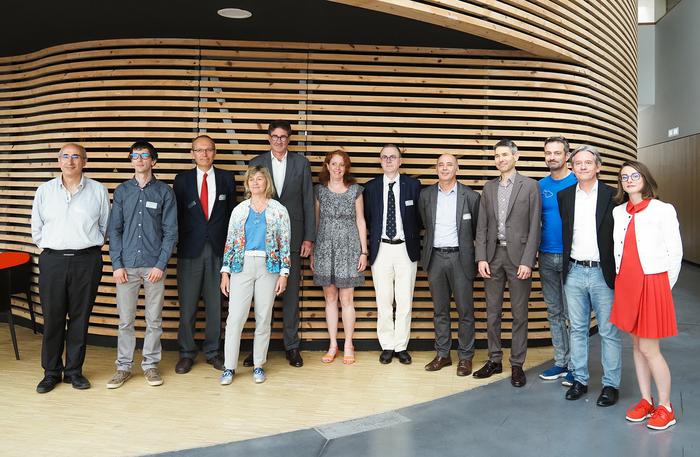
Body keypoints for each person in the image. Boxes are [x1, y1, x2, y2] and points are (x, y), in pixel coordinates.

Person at [31, 143, 110, 393]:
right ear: (59, 161)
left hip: (86, 261)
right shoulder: (44, 191)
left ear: (84, 161)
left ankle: (74, 372)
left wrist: (85, 246)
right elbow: (37, 228)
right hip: (52, 261)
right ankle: (51, 372)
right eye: (65, 156)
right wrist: (53, 248)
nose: (70, 161)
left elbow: (104, 227)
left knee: (80, 318)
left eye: (76, 156)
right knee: (53, 318)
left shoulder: (98, 190)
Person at [611, 161, 682, 430]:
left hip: (653, 283)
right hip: (626, 284)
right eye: (624, 177)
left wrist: (663, 287)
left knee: (650, 349)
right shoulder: (619, 212)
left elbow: (675, 252)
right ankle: (646, 400)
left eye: (634, 175)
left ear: (645, 178)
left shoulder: (663, 209)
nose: (629, 180)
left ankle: (666, 406)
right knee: (637, 347)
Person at [107, 141, 178, 388]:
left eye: (144, 155)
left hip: (154, 267)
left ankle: (150, 366)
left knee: (154, 320)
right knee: (125, 321)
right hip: (126, 267)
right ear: (131, 160)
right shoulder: (122, 191)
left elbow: (171, 232)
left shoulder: (164, 192)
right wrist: (117, 264)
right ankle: (123, 367)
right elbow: (114, 230)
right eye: (134, 155)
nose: (138, 159)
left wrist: (160, 265)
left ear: (153, 161)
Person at [247, 120, 315, 368]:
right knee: (261, 297)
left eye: (283, 137)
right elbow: (250, 198)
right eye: (275, 136)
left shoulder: (301, 163)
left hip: (293, 238)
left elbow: (308, 200)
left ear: (289, 139)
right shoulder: (257, 162)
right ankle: (258, 349)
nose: (279, 140)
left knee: (291, 296)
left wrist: (309, 237)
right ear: (269, 138)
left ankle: (292, 346)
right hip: (261, 240)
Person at [558, 145, 621, 406]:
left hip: (602, 273)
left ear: (598, 166)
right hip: (574, 271)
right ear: (572, 167)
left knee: (608, 331)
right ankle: (580, 380)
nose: (583, 166)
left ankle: (611, 385)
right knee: (578, 329)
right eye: (578, 163)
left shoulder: (613, 195)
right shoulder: (564, 196)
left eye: (588, 162)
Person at [475, 139, 541, 388]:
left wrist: (528, 261)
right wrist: (481, 257)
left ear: (516, 157)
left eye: (504, 154)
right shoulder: (489, 187)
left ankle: (516, 364)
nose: (500, 159)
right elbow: (481, 226)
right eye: (497, 155)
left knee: (519, 314)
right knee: (492, 312)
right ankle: (494, 359)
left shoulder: (530, 186)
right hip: (493, 257)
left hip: (519, 259)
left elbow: (535, 226)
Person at [219, 166, 291, 385]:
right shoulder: (239, 210)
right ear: (247, 183)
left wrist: (284, 273)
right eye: (252, 179)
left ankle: (258, 365)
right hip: (241, 267)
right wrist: (225, 272)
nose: (256, 182)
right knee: (235, 318)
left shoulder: (278, 210)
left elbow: (284, 243)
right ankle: (229, 367)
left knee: (263, 317)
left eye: (260, 179)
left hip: (269, 268)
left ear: (267, 182)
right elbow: (230, 242)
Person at [173, 135, 237, 374]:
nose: (204, 154)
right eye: (199, 150)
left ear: (214, 152)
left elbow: (232, 216)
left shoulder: (227, 178)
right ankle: (186, 353)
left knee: (215, 304)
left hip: (219, 250)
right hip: (189, 250)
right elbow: (176, 216)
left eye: (208, 149)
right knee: (188, 305)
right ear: (192, 154)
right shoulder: (182, 180)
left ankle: (212, 351)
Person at [418, 154, 480, 376]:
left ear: (457, 168)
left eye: (449, 165)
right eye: (441, 165)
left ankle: (465, 357)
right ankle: (443, 354)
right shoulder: (425, 195)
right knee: (440, 310)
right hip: (435, 258)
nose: (445, 168)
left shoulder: (471, 196)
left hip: (460, 259)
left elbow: (478, 230)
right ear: (436, 168)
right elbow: (423, 223)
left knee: (465, 311)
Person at [363, 144, 422, 365]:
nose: (388, 160)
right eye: (384, 157)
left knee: (405, 301)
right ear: (380, 161)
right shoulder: (371, 187)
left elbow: (419, 218)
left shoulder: (413, 186)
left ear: (400, 161)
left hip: (406, 249)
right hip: (381, 249)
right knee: (384, 301)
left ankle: (401, 346)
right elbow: (368, 218)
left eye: (393, 157)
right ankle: (387, 345)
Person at [312, 149, 368, 365]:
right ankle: (333, 344)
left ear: (346, 168)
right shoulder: (319, 191)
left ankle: (348, 345)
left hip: (349, 248)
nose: (337, 168)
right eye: (333, 164)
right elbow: (316, 222)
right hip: (325, 247)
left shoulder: (355, 191)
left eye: (341, 164)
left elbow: (361, 221)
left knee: (347, 299)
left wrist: (363, 251)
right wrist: (314, 251)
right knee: (330, 298)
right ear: (327, 166)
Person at [538, 136, 577, 382]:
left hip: (572, 257)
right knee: (554, 312)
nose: (552, 157)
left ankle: (575, 366)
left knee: (574, 316)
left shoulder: (578, 182)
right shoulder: (540, 186)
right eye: (548, 153)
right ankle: (561, 362)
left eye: (557, 153)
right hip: (546, 256)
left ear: (567, 155)